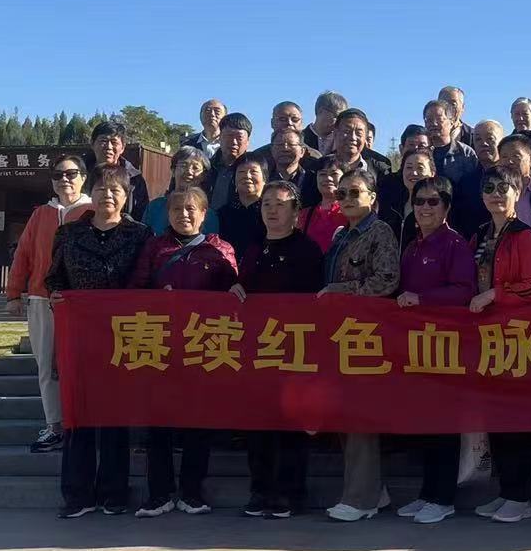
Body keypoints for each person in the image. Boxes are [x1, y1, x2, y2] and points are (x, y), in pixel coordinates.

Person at [46, 164, 154, 518]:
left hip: (124, 334)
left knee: (114, 415)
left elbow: (146, 281)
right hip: (80, 334)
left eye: (116, 190)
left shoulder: (141, 234)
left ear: (127, 196)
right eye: (101, 189)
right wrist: (57, 294)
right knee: (78, 414)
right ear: (90, 193)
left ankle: (113, 493)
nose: (108, 195)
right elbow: (54, 278)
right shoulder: (69, 233)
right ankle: (77, 495)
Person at [129, 186, 238, 517]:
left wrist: (236, 287)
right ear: (168, 214)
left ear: (204, 214)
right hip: (160, 344)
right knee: (158, 422)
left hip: (202, 345)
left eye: (191, 209)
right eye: (177, 209)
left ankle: (192, 492)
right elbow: (135, 290)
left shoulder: (219, 249)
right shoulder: (154, 248)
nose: (184, 214)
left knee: (198, 422)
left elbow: (233, 290)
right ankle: (158, 493)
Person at [232, 179, 324, 518]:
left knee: (290, 423)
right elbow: (244, 287)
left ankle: (290, 493)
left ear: (296, 212)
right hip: (257, 348)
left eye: (280, 204)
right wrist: (236, 288)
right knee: (258, 423)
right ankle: (260, 491)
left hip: (293, 347)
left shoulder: (307, 250)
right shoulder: (254, 247)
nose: (272, 210)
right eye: (267, 204)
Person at [393, 176, 478, 525]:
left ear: (446, 207)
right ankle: (427, 493)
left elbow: (464, 290)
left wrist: (422, 299)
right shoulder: (412, 246)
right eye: (419, 201)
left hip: (446, 345)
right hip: (416, 346)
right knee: (425, 423)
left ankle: (443, 498)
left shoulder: (454, 244)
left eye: (433, 201)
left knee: (444, 424)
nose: (425, 208)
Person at [320, 166, 402, 522]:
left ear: (373, 197)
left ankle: (361, 499)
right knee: (344, 415)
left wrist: (341, 291)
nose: (348, 199)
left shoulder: (380, 231)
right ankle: (375, 491)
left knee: (359, 415)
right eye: (342, 194)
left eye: (355, 192)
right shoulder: (341, 234)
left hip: (367, 336)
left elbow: (387, 280)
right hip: (340, 335)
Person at [469, 164, 531, 523]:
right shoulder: (481, 234)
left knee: (518, 419)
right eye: (489, 188)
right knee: (496, 419)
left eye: (504, 188)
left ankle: (520, 497)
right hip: (486, 338)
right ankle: (505, 492)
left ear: (518, 193)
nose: (496, 195)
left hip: (517, 338)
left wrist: (495, 294)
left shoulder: (527, 236)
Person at [6, 152, 92, 453]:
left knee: (81, 364)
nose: (64, 180)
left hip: (81, 302)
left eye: (71, 174)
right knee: (46, 364)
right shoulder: (41, 214)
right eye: (58, 175)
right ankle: (54, 425)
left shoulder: (93, 210)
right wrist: (14, 293)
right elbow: (24, 254)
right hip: (42, 298)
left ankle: (82, 423)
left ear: (83, 177)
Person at [425, 97, 481, 234]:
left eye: (438, 119)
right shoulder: (422, 154)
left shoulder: (466, 153)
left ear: (451, 122)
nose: (433, 123)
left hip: (460, 223)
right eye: (428, 120)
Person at [143, 146, 219, 235]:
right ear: (173, 170)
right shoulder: (154, 207)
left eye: (195, 168)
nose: (189, 171)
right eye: (184, 165)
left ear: (203, 176)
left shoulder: (209, 215)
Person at [88, 120, 152, 218]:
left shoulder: (134, 179)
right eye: (103, 141)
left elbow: (141, 215)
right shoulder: (77, 173)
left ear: (122, 147)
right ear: (92, 144)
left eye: (114, 142)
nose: (109, 147)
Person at [216, 155, 268, 263]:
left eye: (253, 172)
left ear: (265, 179)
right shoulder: (223, 214)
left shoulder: (271, 213)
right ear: (234, 180)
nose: (247, 176)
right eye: (241, 172)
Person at [387, 149, 437, 248]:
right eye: (409, 167)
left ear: (432, 173)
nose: (414, 173)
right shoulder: (392, 206)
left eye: (420, 168)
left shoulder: (437, 207)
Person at [299, 155, 348, 251]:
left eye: (334, 174)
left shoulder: (352, 212)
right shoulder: (304, 215)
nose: (328, 178)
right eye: (322, 174)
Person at [208, 113, 255, 212]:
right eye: (229, 136)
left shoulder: (253, 171)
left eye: (239, 137)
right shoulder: (206, 168)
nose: (234, 142)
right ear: (220, 137)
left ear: (248, 141)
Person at [263, 126, 314, 207]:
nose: (285, 149)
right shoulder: (263, 180)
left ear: (302, 151)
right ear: (272, 150)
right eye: (280, 145)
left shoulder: (313, 180)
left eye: (291, 144)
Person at [304, 91, 347, 155]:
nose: (339, 122)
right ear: (321, 111)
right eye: (337, 116)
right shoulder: (299, 139)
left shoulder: (343, 141)